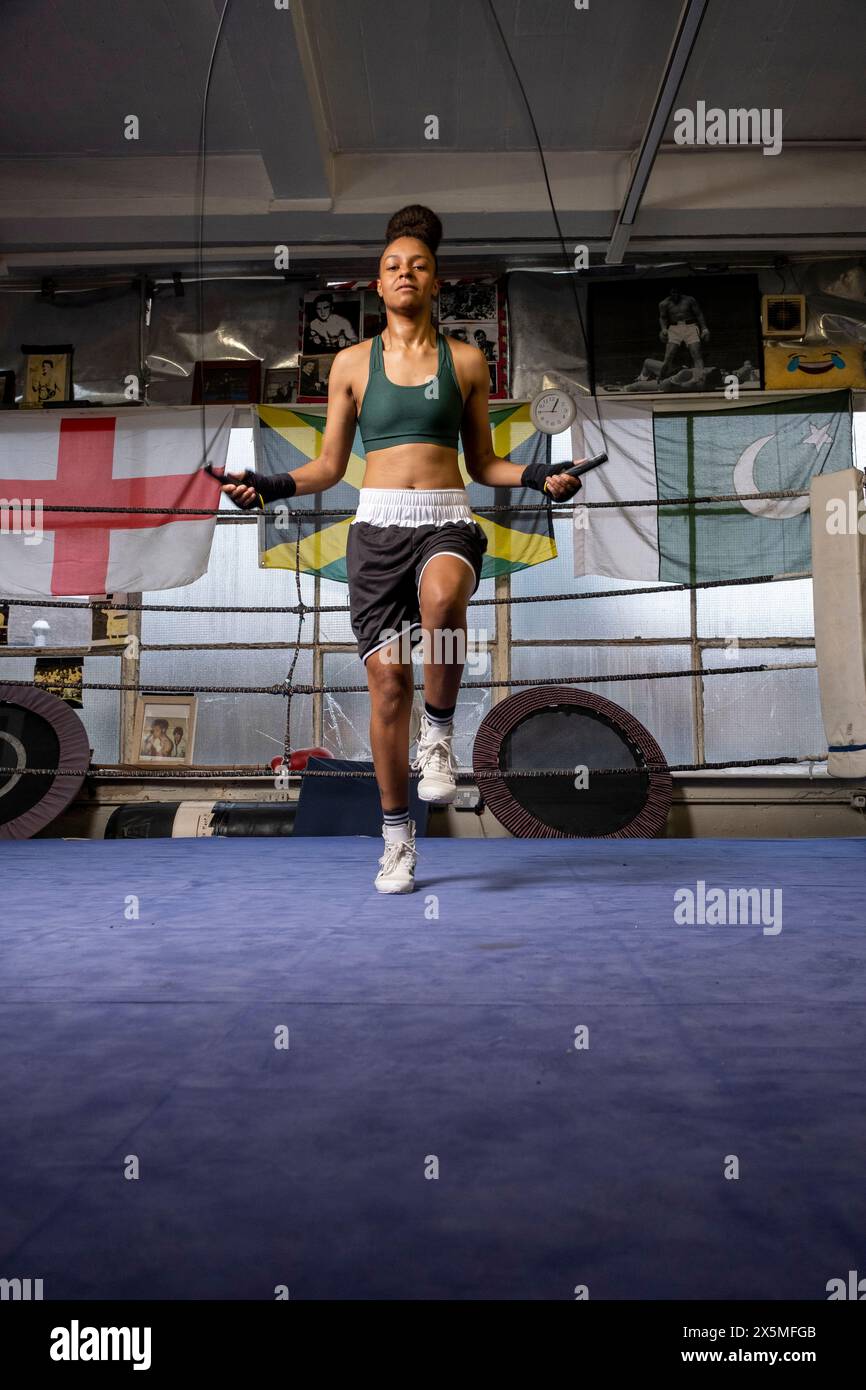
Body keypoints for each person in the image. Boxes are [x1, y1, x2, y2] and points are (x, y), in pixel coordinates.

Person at [210, 205, 584, 894]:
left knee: (443, 601)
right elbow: (327, 467)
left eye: (417, 265)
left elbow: (484, 462)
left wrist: (538, 475)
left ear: (436, 281)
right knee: (387, 684)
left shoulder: (466, 360)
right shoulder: (351, 364)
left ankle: (437, 737)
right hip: (377, 527)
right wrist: (266, 486)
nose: (404, 273)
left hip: (445, 518)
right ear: (377, 287)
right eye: (392, 266)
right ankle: (396, 840)